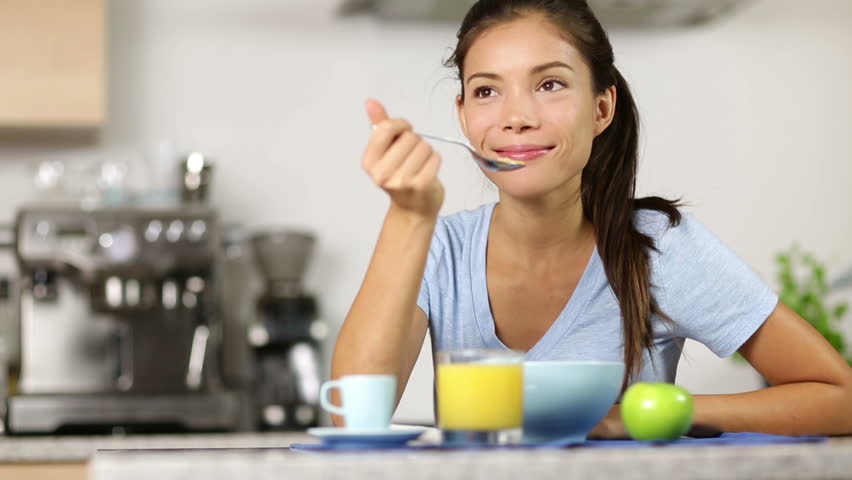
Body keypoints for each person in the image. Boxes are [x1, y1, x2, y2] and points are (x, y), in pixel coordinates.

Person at [331, 0, 852, 437]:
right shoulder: (436, 246)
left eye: (550, 85)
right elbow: (351, 419)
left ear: (601, 109)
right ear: (464, 115)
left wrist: (638, 416)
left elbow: (840, 398)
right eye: (488, 90)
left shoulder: (659, 248)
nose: (517, 115)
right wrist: (408, 215)